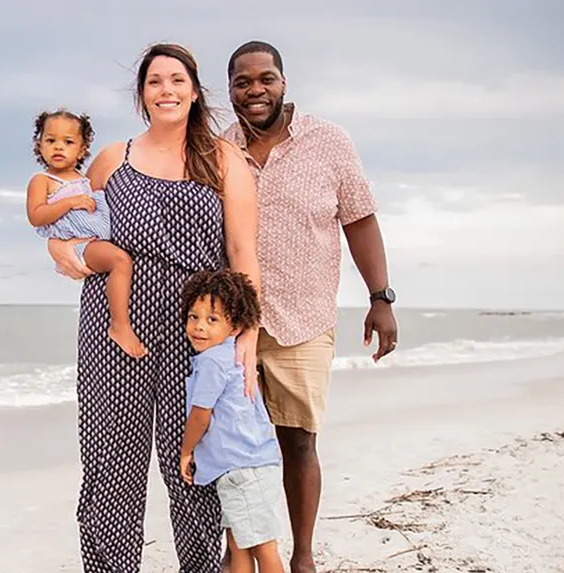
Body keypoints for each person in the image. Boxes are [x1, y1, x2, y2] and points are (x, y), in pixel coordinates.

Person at [46, 43, 261, 572]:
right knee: (110, 462)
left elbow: (242, 254)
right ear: (142, 95)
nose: (166, 90)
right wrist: (60, 249)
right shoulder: (112, 158)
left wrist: (248, 337)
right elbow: (72, 225)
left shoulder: (224, 158)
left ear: (193, 90)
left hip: (198, 328)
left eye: (177, 81)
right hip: (114, 322)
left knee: (190, 460)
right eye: (155, 82)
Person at [221, 41, 400, 573]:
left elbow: (360, 219)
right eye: (242, 82)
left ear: (283, 81)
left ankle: (302, 558)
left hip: (304, 318)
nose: (255, 90)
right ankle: (243, 554)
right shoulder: (218, 148)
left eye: (265, 79)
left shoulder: (329, 141)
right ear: (229, 89)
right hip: (233, 324)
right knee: (235, 449)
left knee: (298, 442)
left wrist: (380, 297)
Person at [179, 269, 284, 573]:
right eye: (193, 317)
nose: (199, 327)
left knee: (263, 548)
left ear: (235, 326)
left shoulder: (213, 361)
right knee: (238, 544)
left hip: (243, 470)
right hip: (248, 465)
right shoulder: (232, 355)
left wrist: (187, 451)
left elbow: (200, 415)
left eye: (212, 320)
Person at [27, 109, 147, 358]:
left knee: (121, 261)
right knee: (120, 261)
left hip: (94, 240)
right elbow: (36, 216)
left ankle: (117, 309)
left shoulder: (83, 180)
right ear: (39, 146)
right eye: (50, 141)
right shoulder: (43, 180)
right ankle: (120, 325)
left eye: (68, 142)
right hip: (79, 245)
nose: (58, 147)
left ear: (82, 150)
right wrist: (70, 203)